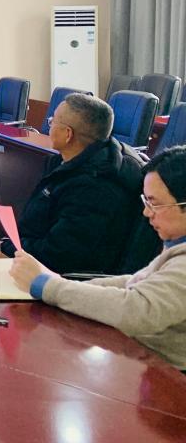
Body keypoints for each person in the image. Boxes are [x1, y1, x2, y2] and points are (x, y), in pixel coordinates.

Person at [12, 145, 186, 371]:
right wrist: (61, 285)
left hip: (170, 378)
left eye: (155, 203)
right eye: (146, 201)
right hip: (144, 364)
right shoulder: (176, 248)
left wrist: (48, 286)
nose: (146, 212)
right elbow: (135, 282)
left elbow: (136, 309)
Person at [0, 93, 139, 275]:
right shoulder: (65, 162)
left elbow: (57, 256)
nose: (49, 125)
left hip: (57, 279)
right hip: (31, 257)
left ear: (67, 134)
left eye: (53, 121)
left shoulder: (95, 188)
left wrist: (9, 247)